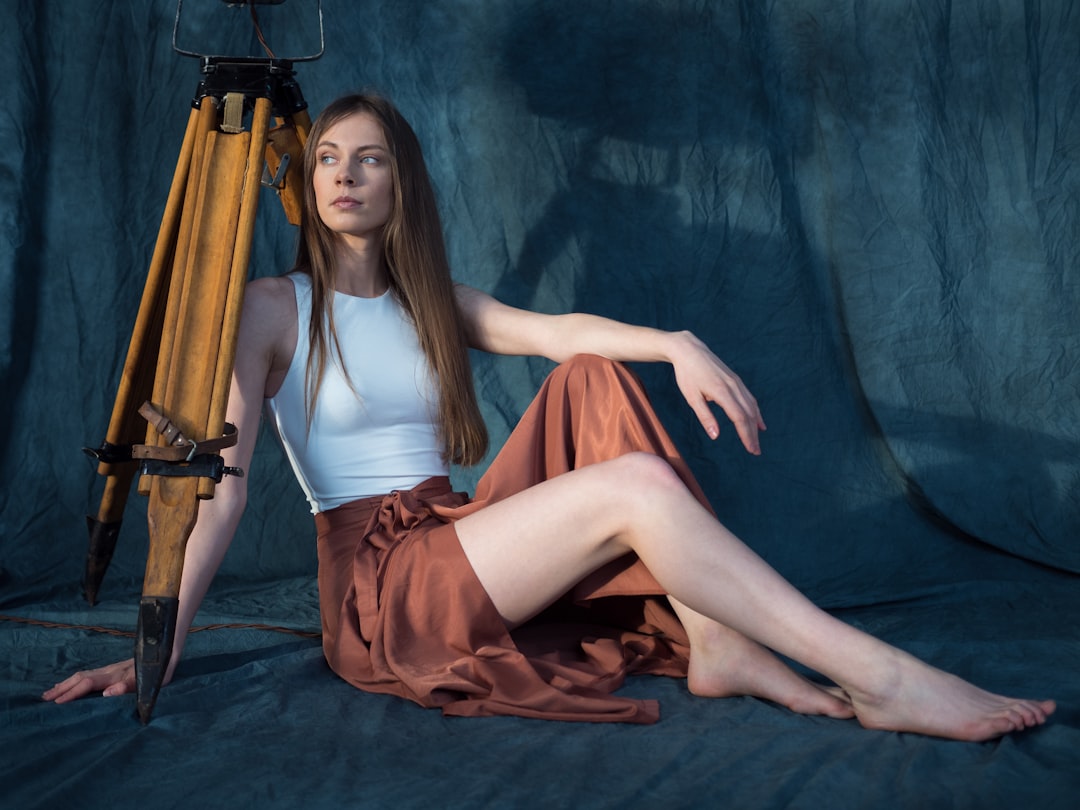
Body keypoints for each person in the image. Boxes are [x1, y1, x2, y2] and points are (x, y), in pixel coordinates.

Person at [45, 94, 1054, 740]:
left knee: (590, 376)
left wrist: (675, 344)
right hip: (382, 589)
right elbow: (217, 492)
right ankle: (880, 678)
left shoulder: (430, 295)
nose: (346, 175)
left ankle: (717, 643)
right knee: (639, 485)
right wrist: (158, 645)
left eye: (371, 160)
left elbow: (556, 328)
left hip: (447, 532)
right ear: (307, 187)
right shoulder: (272, 308)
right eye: (328, 161)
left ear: (402, 184)